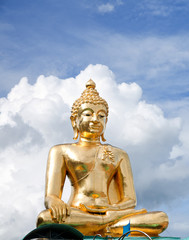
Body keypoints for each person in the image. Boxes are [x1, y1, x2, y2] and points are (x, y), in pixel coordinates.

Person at [37, 79, 169, 237]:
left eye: (101, 116)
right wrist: (54, 202)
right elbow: (51, 196)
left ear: (106, 121)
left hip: (113, 213)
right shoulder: (61, 151)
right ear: (74, 121)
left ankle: (105, 226)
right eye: (88, 114)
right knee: (45, 218)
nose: (95, 120)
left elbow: (130, 199)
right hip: (78, 214)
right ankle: (105, 226)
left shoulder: (119, 154)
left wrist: (114, 211)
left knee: (161, 218)